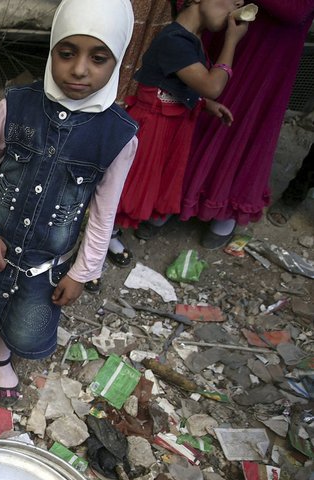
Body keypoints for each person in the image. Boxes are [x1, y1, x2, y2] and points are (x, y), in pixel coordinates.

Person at [0, 0, 138, 406]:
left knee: (25, 317)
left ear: (118, 61)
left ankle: (1, 355)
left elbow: (103, 212)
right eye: (66, 52)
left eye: (98, 58)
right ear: (52, 49)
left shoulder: (119, 135)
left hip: (47, 257)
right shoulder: (17, 103)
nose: (79, 69)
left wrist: (83, 271)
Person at [87, 0, 248, 292]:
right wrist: (232, 42)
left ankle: (106, 239)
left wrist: (203, 104)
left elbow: (178, 84)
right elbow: (212, 84)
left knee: (124, 194)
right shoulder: (174, 39)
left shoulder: (191, 38)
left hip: (171, 126)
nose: (238, 5)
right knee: (118, 194)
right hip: (151, 127)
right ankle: (88, 263)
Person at [180, 1, 314, 246]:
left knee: (244, 123)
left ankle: (226, 208)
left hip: (270, 50)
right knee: (200, 106)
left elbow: (296, 10)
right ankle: (175, 197)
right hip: (225, 27)